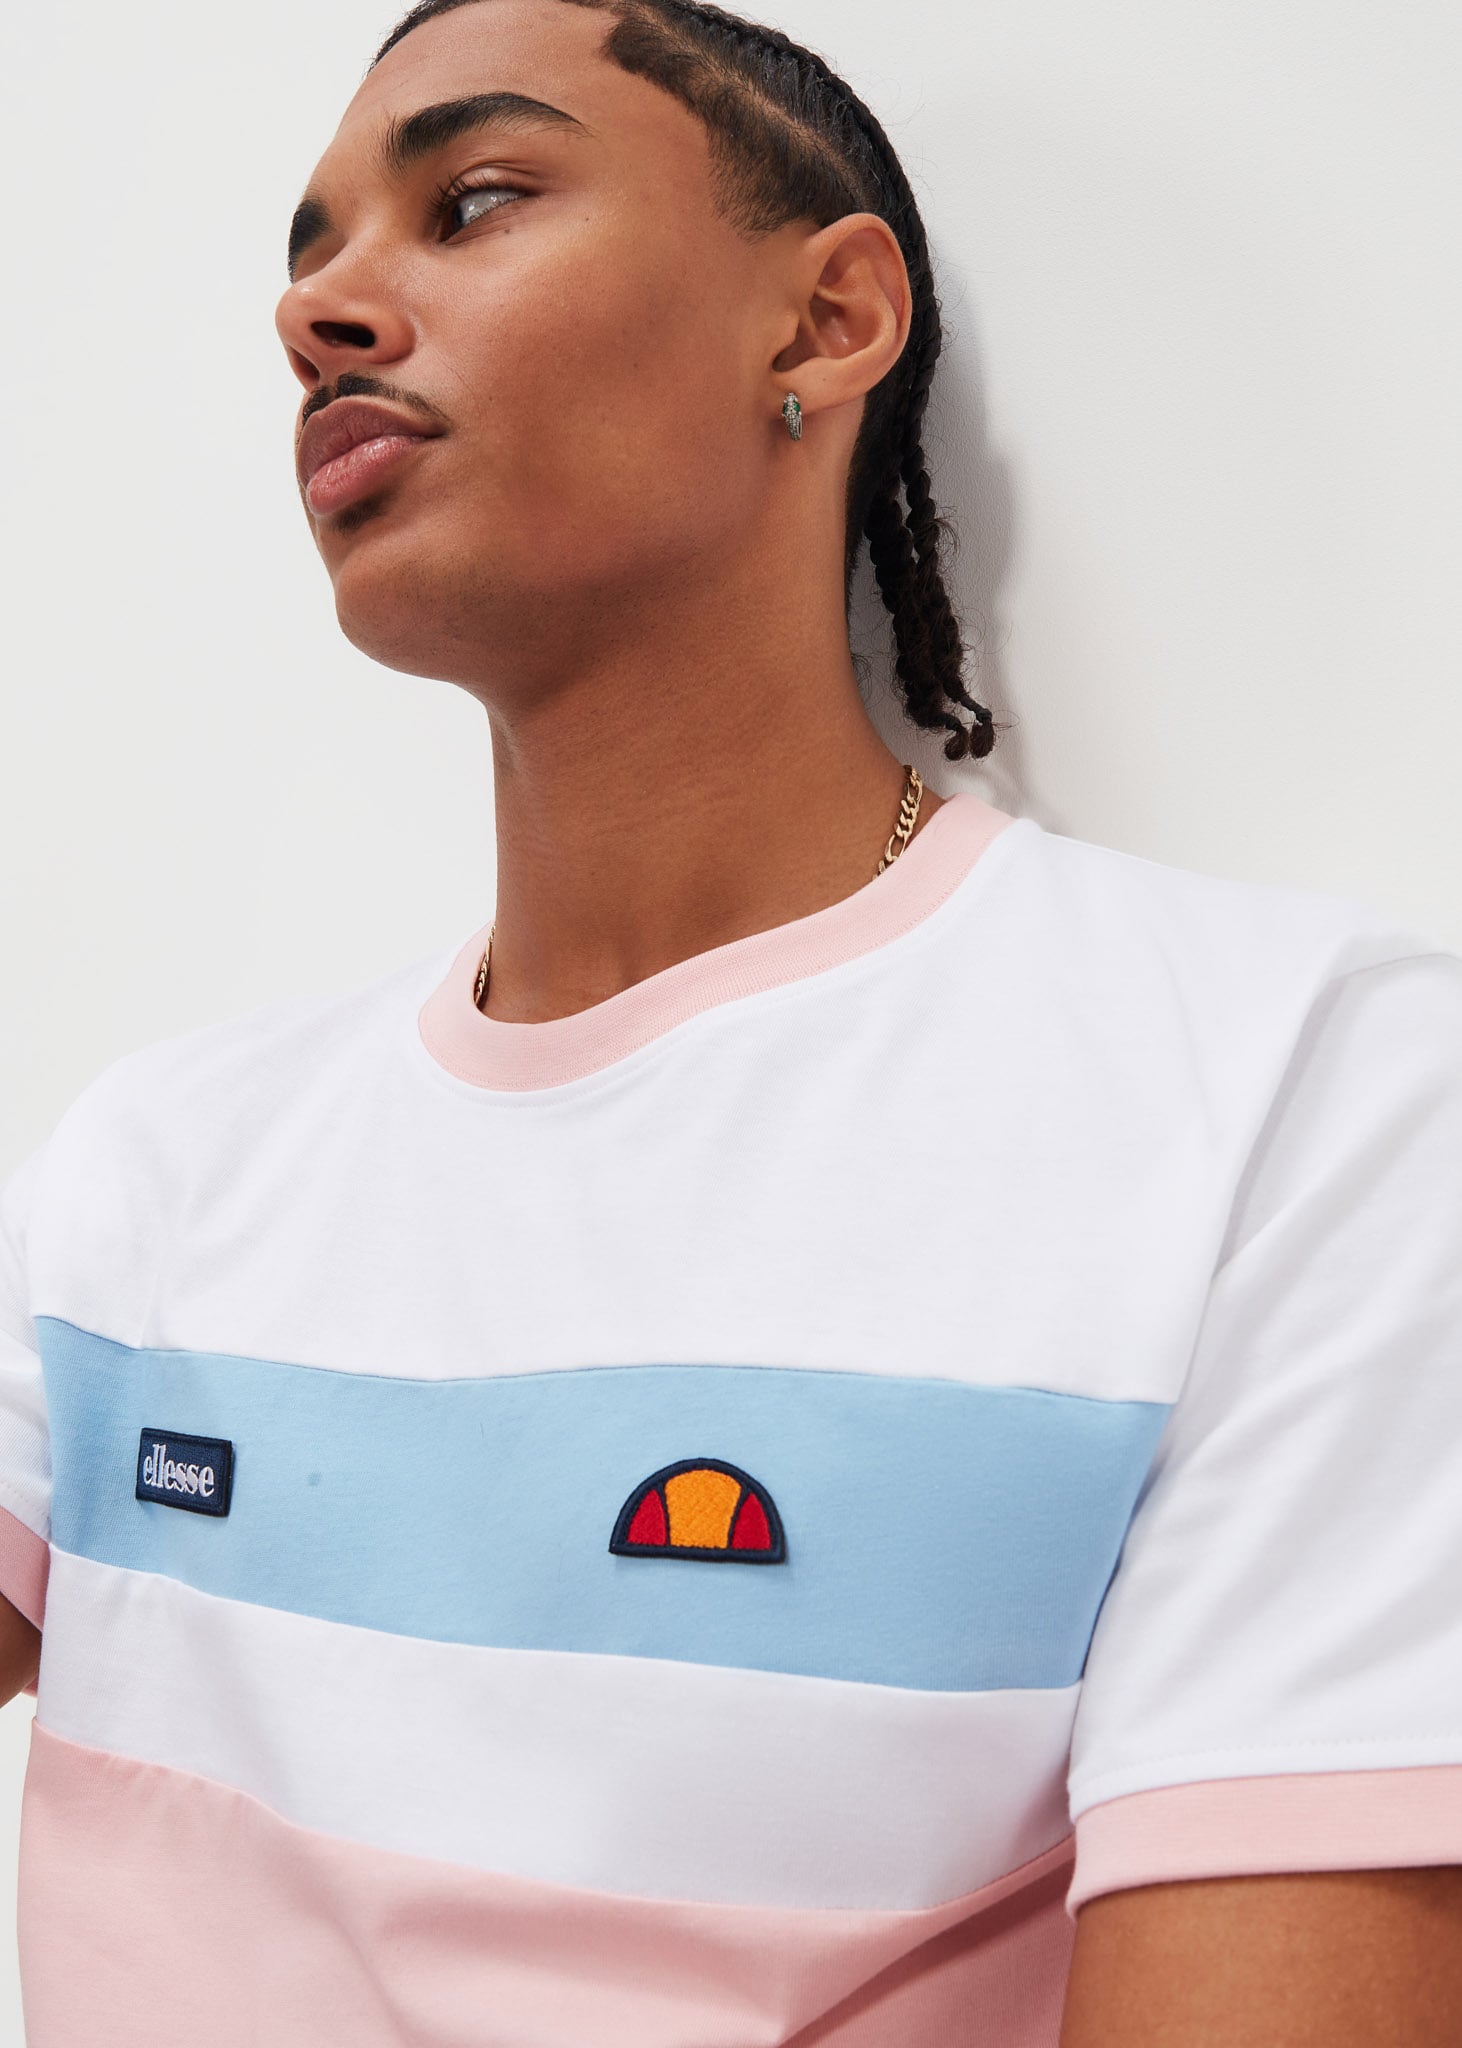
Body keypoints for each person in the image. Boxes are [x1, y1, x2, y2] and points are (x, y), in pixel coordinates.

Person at [2, 0, 1459, 2040]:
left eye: (472, 200)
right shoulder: (161, 1163)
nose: (316, 312)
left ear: (822, 321)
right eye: (308, 251)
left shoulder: (1294, 1089)